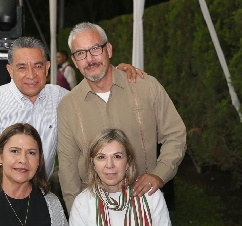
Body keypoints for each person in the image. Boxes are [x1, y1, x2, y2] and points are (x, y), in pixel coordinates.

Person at [0, 35, 146, 208]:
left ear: (47, 67)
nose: (31, 75)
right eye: (22, 67)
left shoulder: (60, 98)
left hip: (37, 197)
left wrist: (115, 74)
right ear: (10, 70)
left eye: (37, 66)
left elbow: (96, 100)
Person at [57, 22, 187, 212]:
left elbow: (175, 134)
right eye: (81, 53)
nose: (89, 59)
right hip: (96, 212)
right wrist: (77, 216)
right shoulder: (68, 106)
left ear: (108, 49)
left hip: (146, 204)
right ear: (75, 62)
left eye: (95, 49)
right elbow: (68, 169)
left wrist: (160, 174)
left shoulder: (146, 87)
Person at [69, 128, 176, 226]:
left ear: (128, 162)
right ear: (93, 164)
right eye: (101, 157)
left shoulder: (149, 195)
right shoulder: (83, 202)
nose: (109, 165)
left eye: (117, 156)